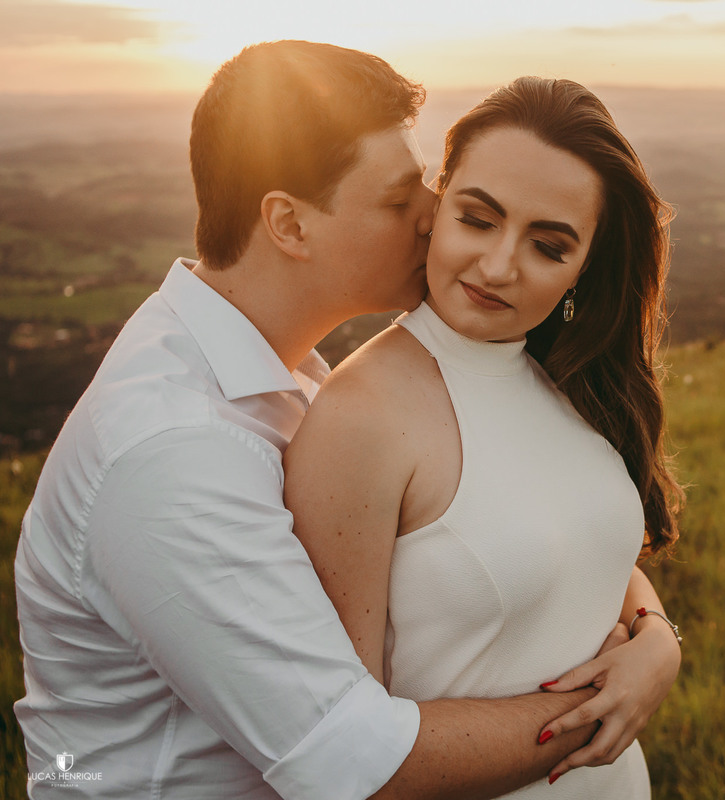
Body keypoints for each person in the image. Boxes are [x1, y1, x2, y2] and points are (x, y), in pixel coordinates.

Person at [13, 41, 678, 799]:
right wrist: (609, 703)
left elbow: (533, 528)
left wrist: (656, 637)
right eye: (401, 201)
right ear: (290, 227)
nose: (436, 219)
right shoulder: (172, 452)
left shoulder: (279, 371)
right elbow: (352, 760)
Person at [283, 76, 685, 797]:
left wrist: (656, 637)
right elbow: (346, 742)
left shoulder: (568, 375)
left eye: (549, 245)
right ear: (438, 204)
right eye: (478, 218)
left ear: (584, 267)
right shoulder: (361, 419)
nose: (498, 267)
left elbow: (575, 547)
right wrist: (594, 707)